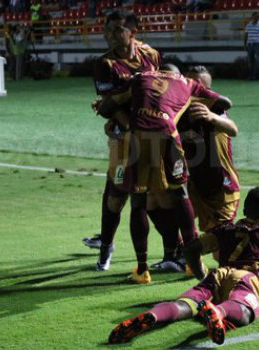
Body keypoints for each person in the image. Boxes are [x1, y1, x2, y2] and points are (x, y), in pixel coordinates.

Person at [108, 187, 259, 345]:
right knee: (246, 311)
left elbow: (190, 249)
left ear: (245, 211)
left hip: (218, 274)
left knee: (185, 304)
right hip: (248, 278)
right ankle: (218, 312)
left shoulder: (226, 228)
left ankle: (153, 315)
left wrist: (201, 274)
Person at [96, 64, 233, 282]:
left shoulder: (140, 77)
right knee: (180, 195)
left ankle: (142, 270)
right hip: (169, 135)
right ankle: (191, 262)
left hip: (139, 138)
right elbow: (226, 103)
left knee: (138, 200)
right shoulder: (187, 83)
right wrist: (195, 99)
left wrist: (126, 109)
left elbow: (104, 108)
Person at [83, 10, 164, 278]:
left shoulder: (151, 55)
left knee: (155, 196)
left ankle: (173, 253)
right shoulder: (104, 64)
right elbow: (107, 106)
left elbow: (160, 91)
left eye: (118, 30)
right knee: (116, 196)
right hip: (124, 137)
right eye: (108, 30)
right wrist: (129, 126)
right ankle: (106, 246)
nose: (112, 35)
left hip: (152, 135)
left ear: (133, 32)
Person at [180, 65, 240, 235]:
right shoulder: (181, 111)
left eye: (196, 84)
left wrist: (211, 117)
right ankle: (177, 255)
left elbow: (233, 129)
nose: (190, 86)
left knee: (218, 248)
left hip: (221, 187)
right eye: (188, 81)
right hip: (197, 185)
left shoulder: (214, 110)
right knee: (170, 212)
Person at [244, 12, 259, 80]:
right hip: (250, 44)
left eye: (257, 17)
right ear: (253, 17)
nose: (256, 18)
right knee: (250, 61)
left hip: (257, 44)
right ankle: (252, 76)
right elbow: (246, 35)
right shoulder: (248, 25)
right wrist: (245, 44)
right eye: (255, 17)